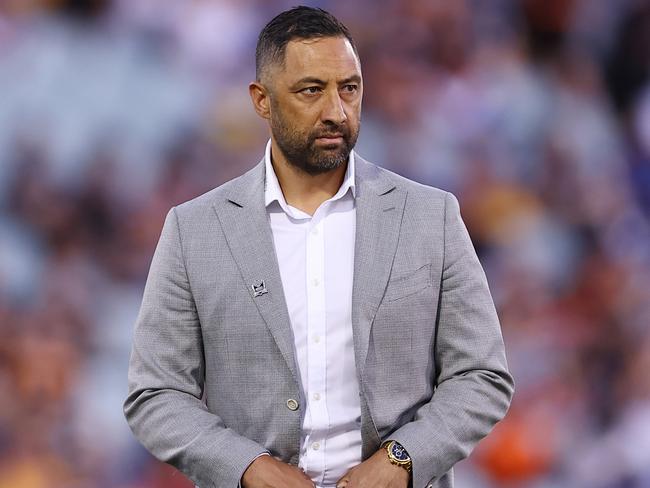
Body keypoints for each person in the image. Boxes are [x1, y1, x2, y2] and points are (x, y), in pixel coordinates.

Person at [124, 6, 514, 488]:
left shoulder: (430, 216)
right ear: (261, 100)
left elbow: (482, 376)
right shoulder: (194, 229)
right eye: (312, 90)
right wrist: (247, 467)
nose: (336, 111)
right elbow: (155, 394)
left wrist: (401, 459)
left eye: (348, 88)